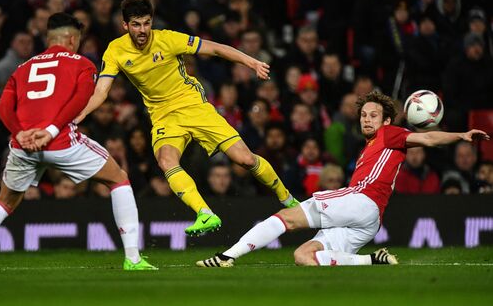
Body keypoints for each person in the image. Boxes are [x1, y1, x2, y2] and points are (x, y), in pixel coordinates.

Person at [75, 0, 299, 237]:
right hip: (163, 116)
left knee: (245, 159)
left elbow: (215, 48)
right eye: (136, 24)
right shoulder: (115, 51)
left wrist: (251, 62)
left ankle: (287, 199)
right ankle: (205, 213)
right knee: (166, 160)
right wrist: (79, 116)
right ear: (125, 25)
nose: (143, 30)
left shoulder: (168, 39)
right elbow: (101, 91)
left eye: (147, 23)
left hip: (194, 106)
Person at [0, 12, 156, 273]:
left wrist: (19, 132)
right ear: (71, 38)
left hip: (23, 144)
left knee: (4, 202)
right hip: (59, 142)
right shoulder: (83, 63)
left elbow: (3, 106)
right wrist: (50, 129)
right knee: (119, 179)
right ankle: (133, 259)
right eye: (78, 40)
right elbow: (81, 99)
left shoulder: (22, 68)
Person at [196, 91, 490, 267]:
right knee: (304, 256)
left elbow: (427, 138)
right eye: (363, 115)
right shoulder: (371, 147)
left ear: (387, 121)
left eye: (373, 115)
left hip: (362, 200)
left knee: (287, 217)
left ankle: (226, 256)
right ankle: (370, 260)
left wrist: (460, 135)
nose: (366, 119)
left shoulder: (391, 134)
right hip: (369, 222)